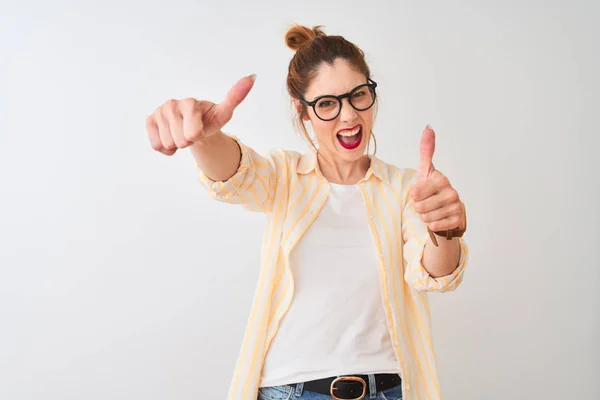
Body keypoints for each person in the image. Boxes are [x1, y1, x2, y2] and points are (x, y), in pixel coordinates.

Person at [146, 24, 468, 400]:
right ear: (303, 113)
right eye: (328, 103)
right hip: (290, 390)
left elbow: (434, 275)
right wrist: (205, 137)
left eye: (358, 95)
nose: (348, 115)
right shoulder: (285, 176)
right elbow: (236, 176)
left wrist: (444, 229)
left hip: (386, 390)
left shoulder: (404, 188)